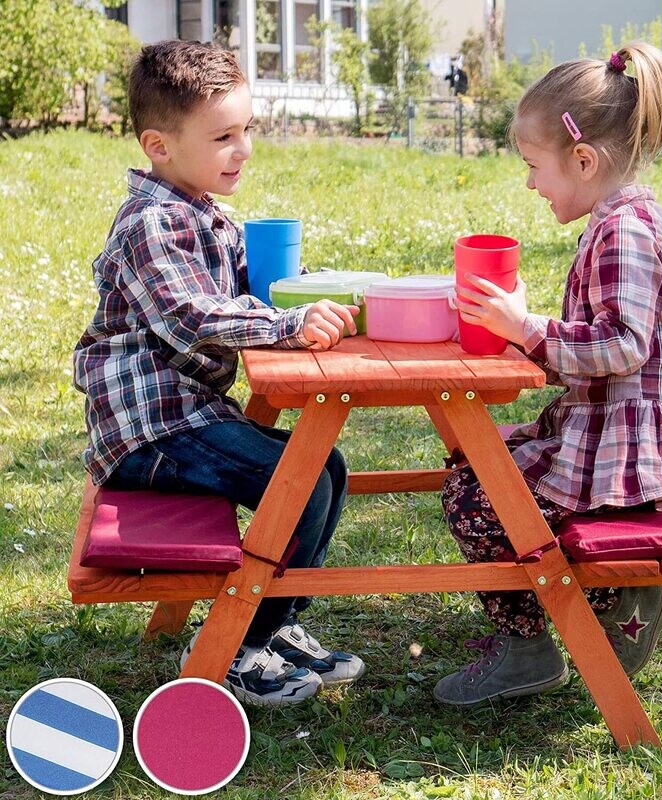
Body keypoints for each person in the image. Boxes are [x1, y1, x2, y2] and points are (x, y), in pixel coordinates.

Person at [436, 43, 662, 706]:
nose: (530, 183)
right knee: (476, 460)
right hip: (605, 433)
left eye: (533, 166)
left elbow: (623, 344)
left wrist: (527, 329)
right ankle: (594, 603)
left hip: (624, 456)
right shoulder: (622, 220)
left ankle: (555, 634)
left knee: (474, 499)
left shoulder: (623, 230)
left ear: (582, 160)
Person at [73, 40, 365, 707]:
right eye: (225, 136)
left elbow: (241, 292)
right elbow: (192, 316)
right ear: (160, 145)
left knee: (327, 466)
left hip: (186, 415)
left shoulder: (204, 215)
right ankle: (238, 647)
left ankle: (277, 621)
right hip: (150, 432)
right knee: (299, 482)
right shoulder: (151, 224)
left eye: (247, 130)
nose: (245, 149)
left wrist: (297, 292)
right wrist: (288, 326)